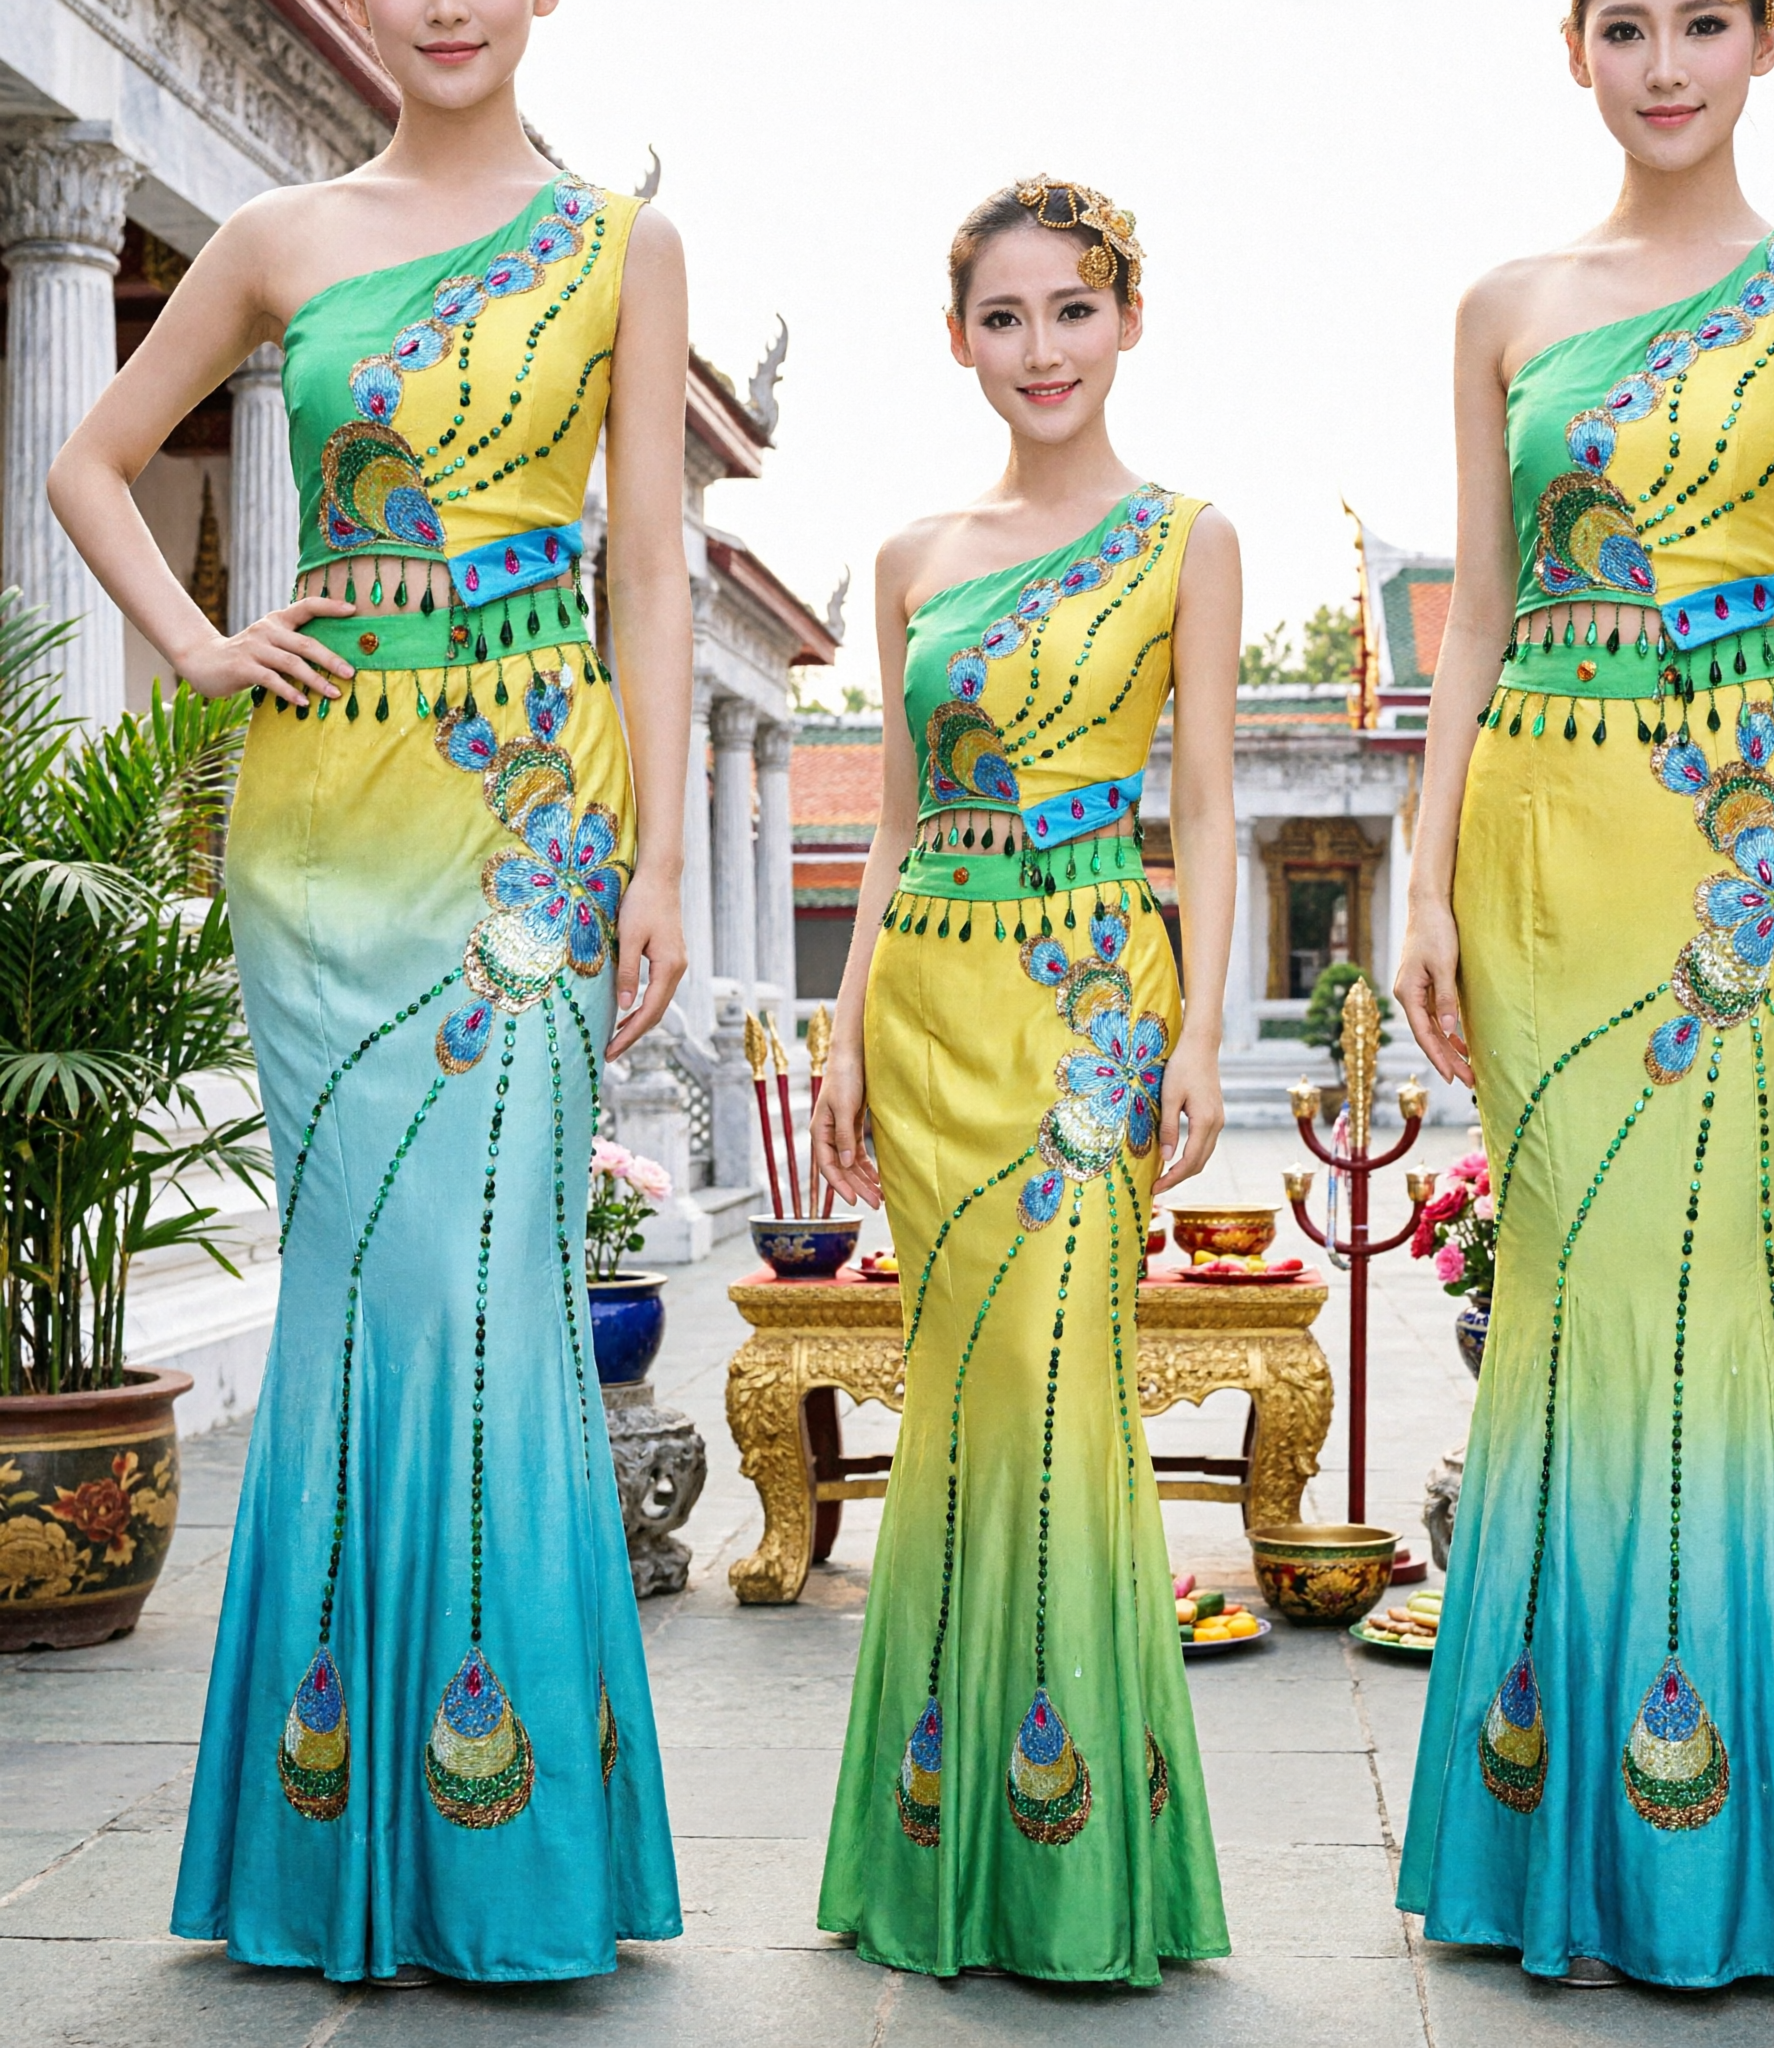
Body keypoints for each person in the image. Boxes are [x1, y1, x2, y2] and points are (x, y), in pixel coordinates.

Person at [48, 0, 688, 1984]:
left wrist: (658, 848)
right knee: (354, 1295)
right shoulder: (275, 235)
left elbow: (651, 562)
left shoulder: (618, 245)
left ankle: (504, 1852)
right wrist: (202, 641)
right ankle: (334, 1842)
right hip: (323, 823)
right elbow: (92, 459)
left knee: (490, 1286)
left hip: (529, 813)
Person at [1391, 0, 1774, 1988]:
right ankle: (1541, 1844)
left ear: (1764, 45)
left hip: (1734, 843)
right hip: (1534, 843)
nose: (1663, 60)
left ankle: (1711, 1846)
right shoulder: (1504, 302)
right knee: (1564, 1305)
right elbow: (1479, 619)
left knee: (1708, 1303)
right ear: (1573, 51)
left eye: (1705, 21)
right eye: (1625, 24)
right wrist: (1424, 883)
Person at [810, 178, 1239, 1984]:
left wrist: (1202, 1026)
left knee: (1064, 1402)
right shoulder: (913, 555)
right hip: (928, 1005)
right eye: (1004, 317)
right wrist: (845, 1020)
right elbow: (898, 824)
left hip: (1088, 1005)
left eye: (1073, 310)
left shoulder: (1188, 538)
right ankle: (940, 1860)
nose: (1040, 348)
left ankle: (1074, 1871)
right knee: (963, 1410)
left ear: (1130, 319)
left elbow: (1206, 799)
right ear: (959, 338)